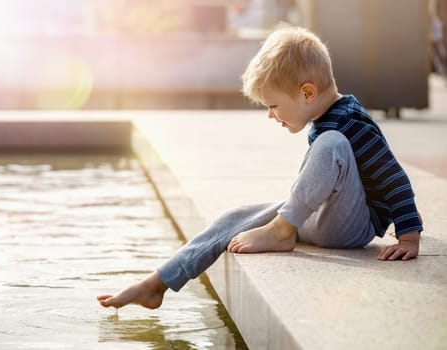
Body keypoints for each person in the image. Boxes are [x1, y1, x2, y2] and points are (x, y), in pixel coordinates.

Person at [97, 27, 423, 310]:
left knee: (331, 144)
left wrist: (409, 238)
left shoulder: (351, 124)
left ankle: (282, 231)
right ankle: (159, 283)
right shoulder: (325, 116)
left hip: (351, 229)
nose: (270, 115)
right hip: (322, 219)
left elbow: (394, 178)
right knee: (235, 216)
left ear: (307, 93)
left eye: (273, 105)